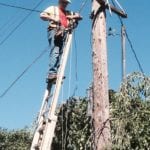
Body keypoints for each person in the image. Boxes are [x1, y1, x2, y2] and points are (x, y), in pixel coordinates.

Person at [40, 0, 82, 82]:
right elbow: (42, 15)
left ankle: (56, 73)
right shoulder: (53, 9)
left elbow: (80, 17)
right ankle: (52, 73)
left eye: (66, 3)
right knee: (55, 51)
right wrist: (54, 18)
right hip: (55, 30)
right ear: (59, 2)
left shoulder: (68, 12)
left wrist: (71, 17)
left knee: (60, 53)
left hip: (64, 32)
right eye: (63, 2)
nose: (65, 4)